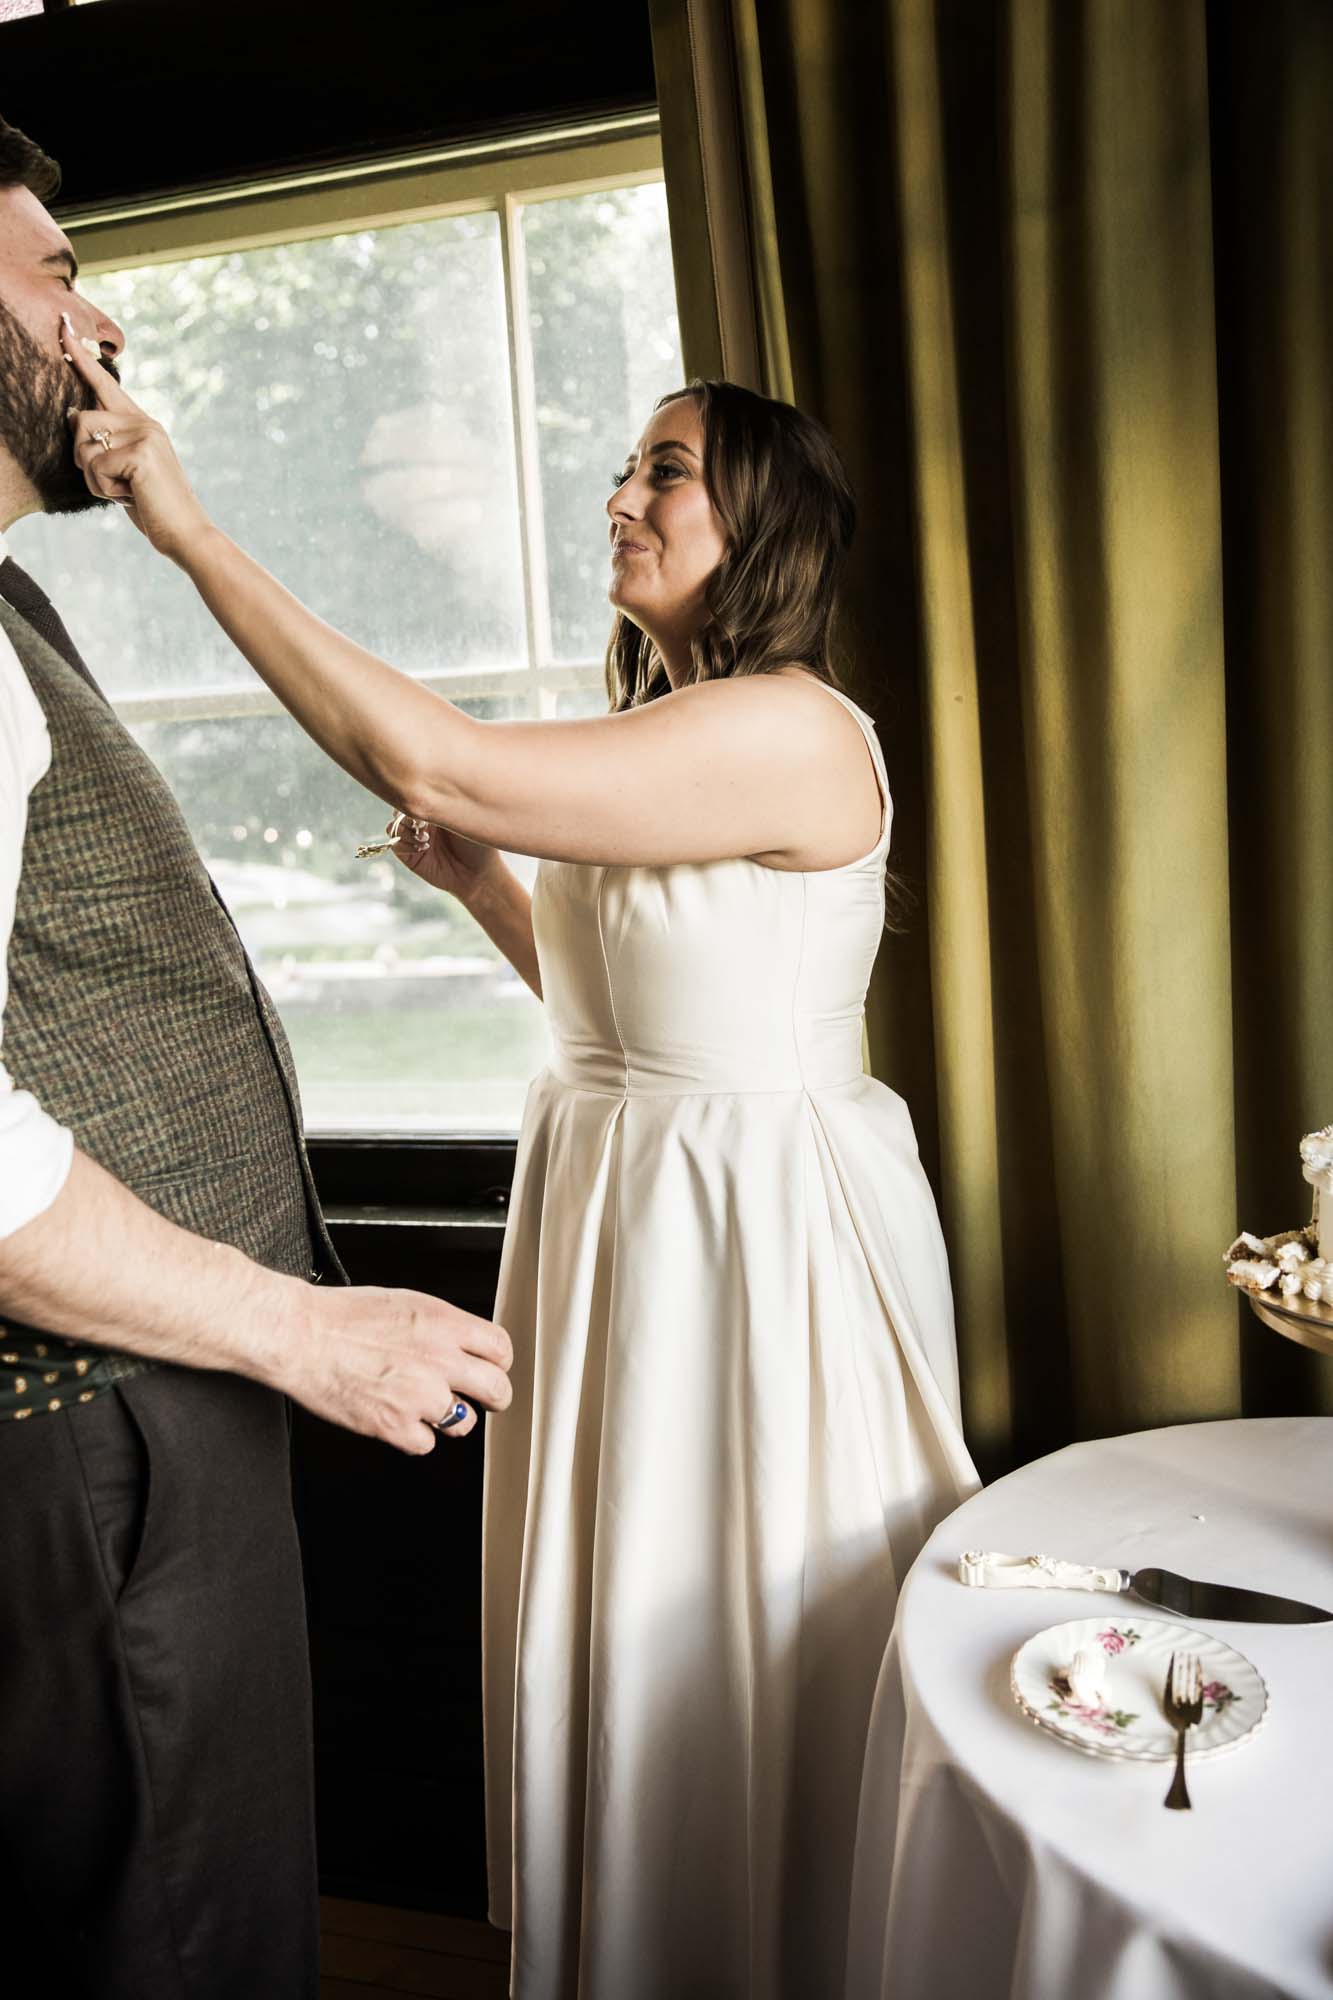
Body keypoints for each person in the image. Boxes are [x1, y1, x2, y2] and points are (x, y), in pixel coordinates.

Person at [61, 297, 980, 1995]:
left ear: (760, 526)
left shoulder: (785, 725)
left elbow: (432, 754)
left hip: (748, 1249)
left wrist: (189, 532)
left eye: (668, 473)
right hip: (628, 1213)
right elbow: (622, 1010)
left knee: (743, 1629)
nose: (622, 494)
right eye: (627, 464)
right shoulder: (670, 731)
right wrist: (489, 892)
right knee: (639, 1632)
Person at [0, 117, 513, 2000]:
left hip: (143, 1397)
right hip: (90, 1428)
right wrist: (295, 1325)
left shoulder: (11, 600)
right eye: (53, 273)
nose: (96, 318)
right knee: (175, 1936)